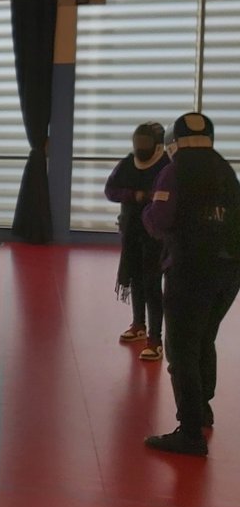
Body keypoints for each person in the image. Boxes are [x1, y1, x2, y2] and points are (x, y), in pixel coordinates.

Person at [142, 113, 240, 457]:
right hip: (229, 272)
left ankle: (190, 432)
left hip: (189, 271)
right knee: (204, 339)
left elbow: (160, 220)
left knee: (181, 349)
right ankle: (203, 409)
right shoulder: (226, 170)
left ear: (173, 143)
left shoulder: (174, 171)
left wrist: (146, 215)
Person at [104, 122, 170, 360]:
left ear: (158, 144)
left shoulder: (167, 166)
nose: (141, 146)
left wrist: (152, 200)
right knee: (135, 278)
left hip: (155, 235)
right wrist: (134, 195)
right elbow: (110, 190)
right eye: (138, 141)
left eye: (145, 142)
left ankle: (155, 339)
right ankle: (138, 325)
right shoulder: (127, 163)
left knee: (152, 284)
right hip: (131, 232)